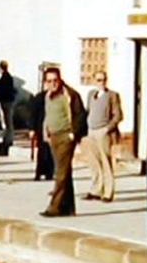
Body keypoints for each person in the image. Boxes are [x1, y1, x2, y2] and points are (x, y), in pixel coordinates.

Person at [38, 66, 86, 218]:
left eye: (55, 80)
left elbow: (79, 115)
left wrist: (73, 134)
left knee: (60, 173)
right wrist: (45, 130)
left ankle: (54, 207)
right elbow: (48, 114)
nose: (53, 84)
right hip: (53, 136)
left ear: (60, 79)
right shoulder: (48, 95)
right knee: (65, 172)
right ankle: (68, 208)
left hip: (65, 136)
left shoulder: (69, 94)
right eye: (49, 81)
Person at [82, 70, 124, 202]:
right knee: (94, 162)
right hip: (91, 131)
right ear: (94, 81)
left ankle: (108, 192)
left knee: (106, 162)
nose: (102, 82)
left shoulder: (112, 95)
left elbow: (118, 115)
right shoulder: (91, 94)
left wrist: (107, 128)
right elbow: (88, 111)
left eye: (104, 79)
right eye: (99, 80)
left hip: (103, 132)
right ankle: (96, 189)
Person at [0, 60, 17, 156]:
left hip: (6, 101)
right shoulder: (7, 77)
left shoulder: (6, 77)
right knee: (7, 121)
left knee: (7, 121)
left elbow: (3, 89)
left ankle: (8, 138)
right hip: (7, 100)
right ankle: (8, 137)